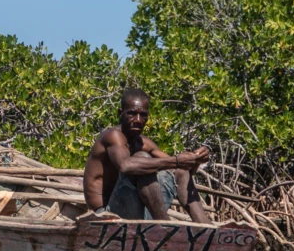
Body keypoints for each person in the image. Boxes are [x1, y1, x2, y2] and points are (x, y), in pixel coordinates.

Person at [83, 88, 211, 223]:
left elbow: (181, 168)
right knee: (142, 159)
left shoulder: (143, 142)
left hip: (137, 212)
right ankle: (164, 225)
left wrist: (196, 159)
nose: (138, 120)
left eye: (143, 115)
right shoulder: (112, 136)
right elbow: (125, 166)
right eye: (132, 113)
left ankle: (206, 226)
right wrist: (177, 160)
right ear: (120, 114)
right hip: (107, 214)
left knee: (180, 171)